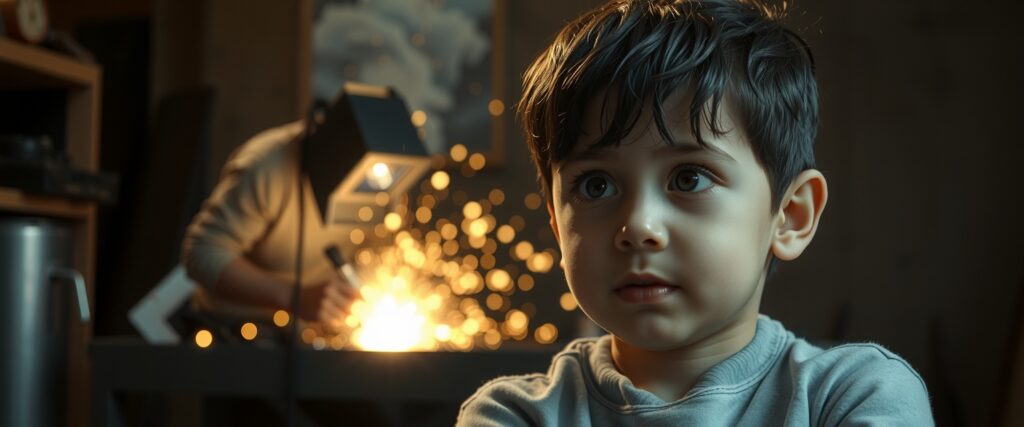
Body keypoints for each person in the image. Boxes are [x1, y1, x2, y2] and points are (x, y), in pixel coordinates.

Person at [457, 0, 934, 425]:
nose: (639, 226)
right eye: (596, 185)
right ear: (558, 228)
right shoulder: (511, 414)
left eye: (689, 178)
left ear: (790, 215)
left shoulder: (855, 395)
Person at [181, 120, 357, 328]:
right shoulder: (269, 166)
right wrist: (294, 296)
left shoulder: (390, 176)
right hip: (236, 334)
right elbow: (202, 253)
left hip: (315, 335)